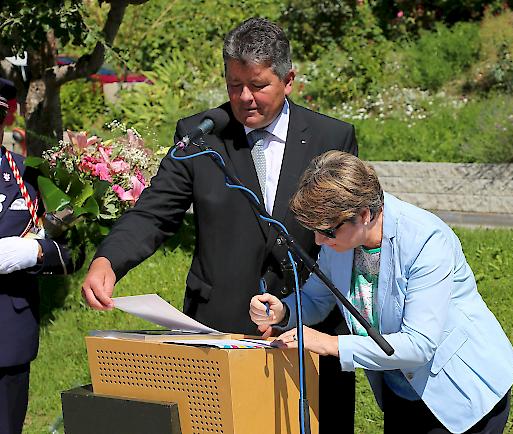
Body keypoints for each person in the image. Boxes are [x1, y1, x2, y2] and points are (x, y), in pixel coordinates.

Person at [81, 18, 358, 432]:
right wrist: (109, 260)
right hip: (218, 326)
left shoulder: (331, 137)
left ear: (289, 80)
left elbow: (350, 231)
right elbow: (155, 211)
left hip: (311, 330)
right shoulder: (200, 135)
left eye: (258, 85)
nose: (244, 98)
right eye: (233, 85)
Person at [250, 151, 513, 434]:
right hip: (401, 393)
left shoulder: (426, 240)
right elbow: (317, 298)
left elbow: (418, 345)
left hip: (462, 392)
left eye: (327, 230)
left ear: (364, 215)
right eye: (314, 230)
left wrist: (331, 344)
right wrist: (283, 311)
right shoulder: (339, 243)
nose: (318, 240)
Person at [0, 78, 76, 433]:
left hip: (7, 336)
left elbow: (73, 250)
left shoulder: (28, 177)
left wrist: (35, 251)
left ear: (9, 114)